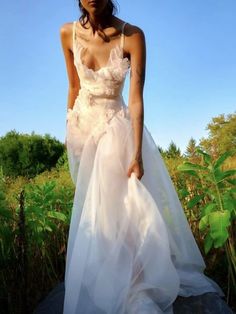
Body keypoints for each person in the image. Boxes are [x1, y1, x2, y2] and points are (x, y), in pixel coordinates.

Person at [60, 1, 224, 313]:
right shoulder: (66, 33)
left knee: (128, 210)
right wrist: (70, 131)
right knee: (97, 217)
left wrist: (137, 153)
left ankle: (136, 287)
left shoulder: (132, 35)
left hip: (118, 132)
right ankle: (107, 281)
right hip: (84, 131)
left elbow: (135, 99)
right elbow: (73, 86)